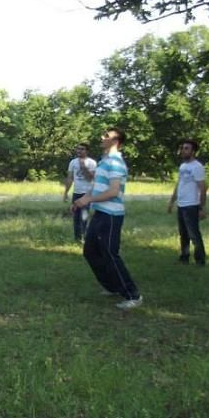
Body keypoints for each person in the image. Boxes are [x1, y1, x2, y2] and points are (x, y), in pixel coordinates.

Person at [72, 128, 142, 310]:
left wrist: (89, 199)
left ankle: (132, 295)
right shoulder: (104, 162)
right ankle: (111, 286)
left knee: (110, 254)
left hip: (111, 215)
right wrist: (82, 199)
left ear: (116, 141)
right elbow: (96, 187)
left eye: (106, 136)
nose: (101, 138)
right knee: (90, 251)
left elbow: (113, 191)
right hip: (100, 213)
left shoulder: (116, 163)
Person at [168, 140, 207, 266]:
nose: (183, 150)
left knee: (194, 234)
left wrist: (201, 208)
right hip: (181, 204)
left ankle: (200, 260)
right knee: (183, 234)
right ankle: (184, 257)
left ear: (193, 151)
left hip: (192, 205)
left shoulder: (197, 167)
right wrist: (171, 201)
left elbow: (202, 188)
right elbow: (179, 184)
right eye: (183, 148)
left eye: (186, 148)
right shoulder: (183, 166)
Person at [62, 143, 97, 241]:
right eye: (78, 149)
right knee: (76, 217)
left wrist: (83, 167)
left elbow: (91, 178)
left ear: (87, 151)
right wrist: (65, 193)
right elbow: (70, 178)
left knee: (84, 216)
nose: (79, 151)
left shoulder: (92, 163)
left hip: (87, 194)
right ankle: (77, 239)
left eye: (82, 149)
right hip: (76, 193)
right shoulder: (72, 162)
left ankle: (85, 238)